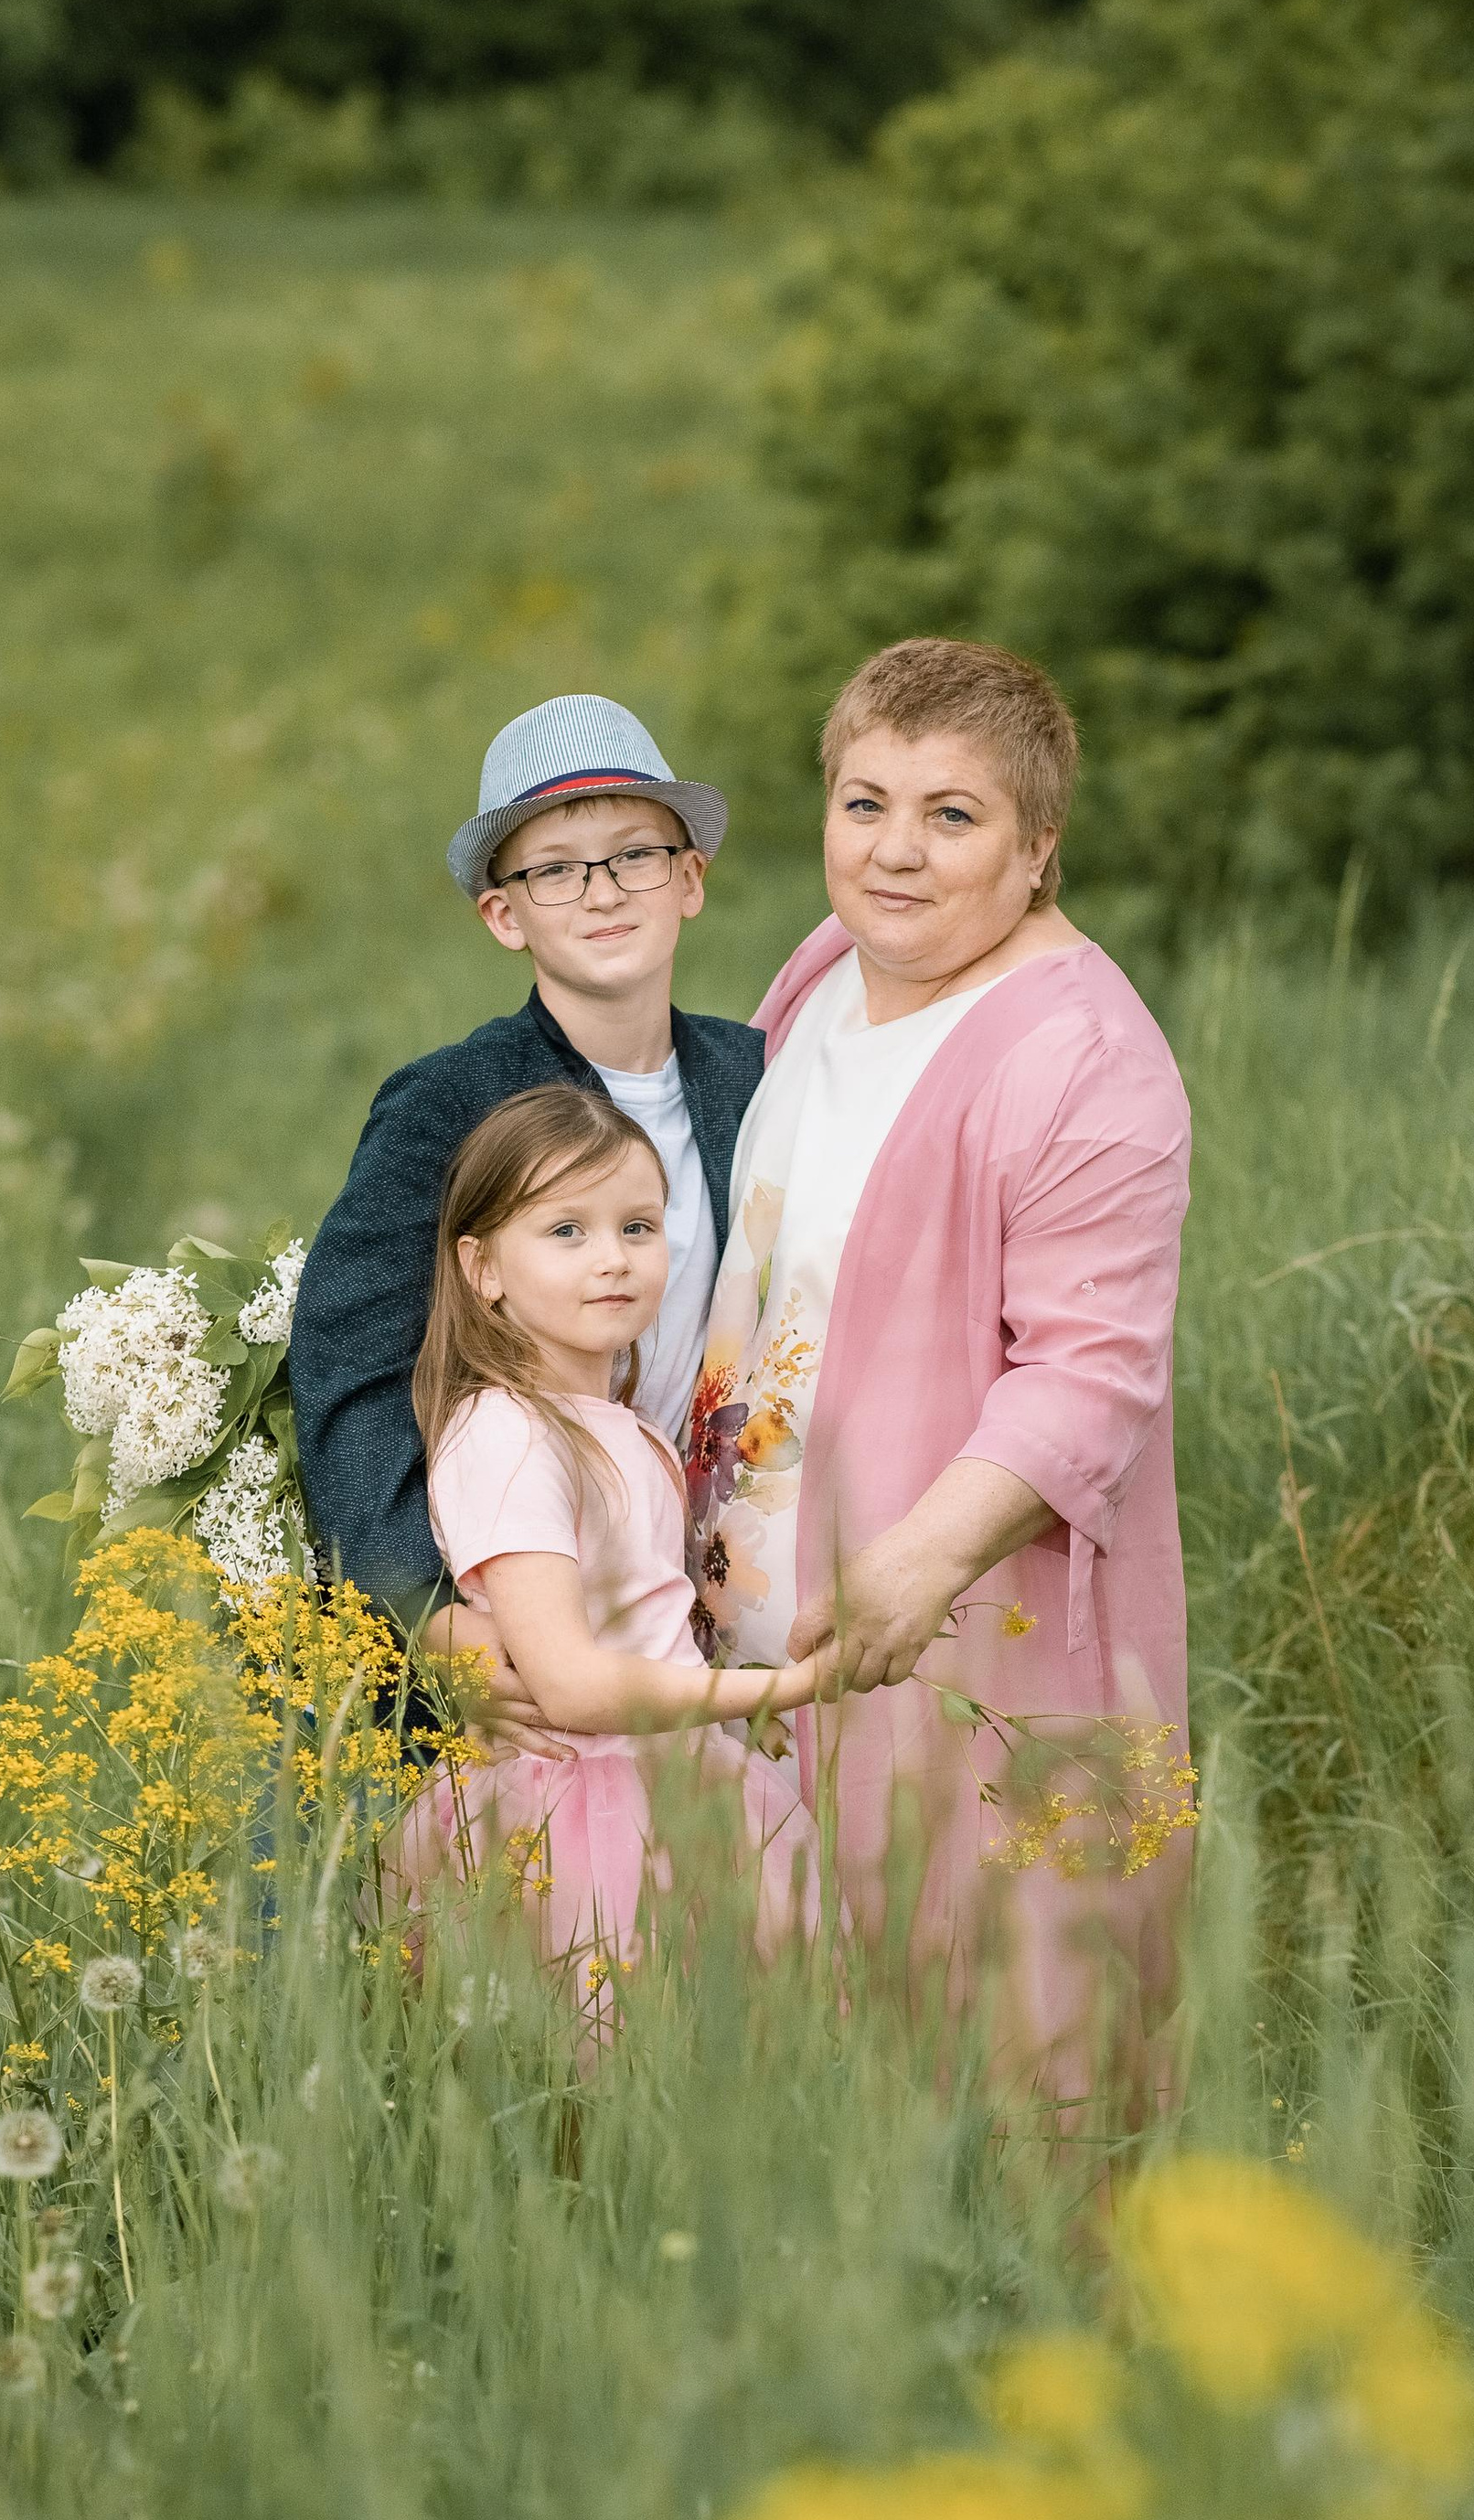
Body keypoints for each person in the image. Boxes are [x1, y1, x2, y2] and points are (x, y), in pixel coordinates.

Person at [686, 637, 1194, 2108]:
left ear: (1039, 849)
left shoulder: (1088, 1062)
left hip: (945, 1636)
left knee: (1015, 2053)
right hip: (752, 1646)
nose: (894, 854)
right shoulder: (828, 968)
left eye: (952, 816)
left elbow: (1088, 1380)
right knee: (799, 2060)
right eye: (864, 804)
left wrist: (914, 1565)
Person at [289, 696, 762, 1747]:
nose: (601, 892)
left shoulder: (756, 1076)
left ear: (689, 880)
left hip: (718, 1580)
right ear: (506, 914)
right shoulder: (452, 1101)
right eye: (554, 869)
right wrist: (426, 1612)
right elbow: (351, 1364)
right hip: (542, 1596)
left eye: (634, 854)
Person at [396, 1082, 827, 1978]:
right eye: (566, 1231)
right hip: (580, 1808)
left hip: (677, 1777)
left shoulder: (619, 1426)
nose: (614, 1259)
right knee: (596, 2074)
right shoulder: (509, 1434)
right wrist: (782, 1690)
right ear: (482, 1270)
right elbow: (570, 1685)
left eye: (637, 1226)